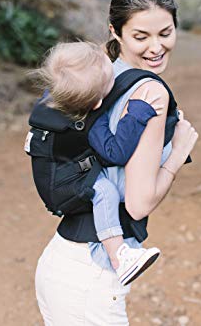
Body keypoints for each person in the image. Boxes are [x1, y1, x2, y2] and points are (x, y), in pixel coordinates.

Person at [35, 0, 199, 326]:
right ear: (116, 32)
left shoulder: (98, 76)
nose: (156, 47)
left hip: (65, 263)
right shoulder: (150, 93)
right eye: (141, 37)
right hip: (90, 278)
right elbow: (138, 203)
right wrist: (177, 152)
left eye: (165, 33)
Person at [31, 41, 165, 285]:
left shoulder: (60, 93)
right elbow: (115, 152)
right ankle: (119, 257)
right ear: (96, 104)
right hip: (61, 187)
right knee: (106, 191)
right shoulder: (89, 120)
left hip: (56, 172)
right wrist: (137, 111)